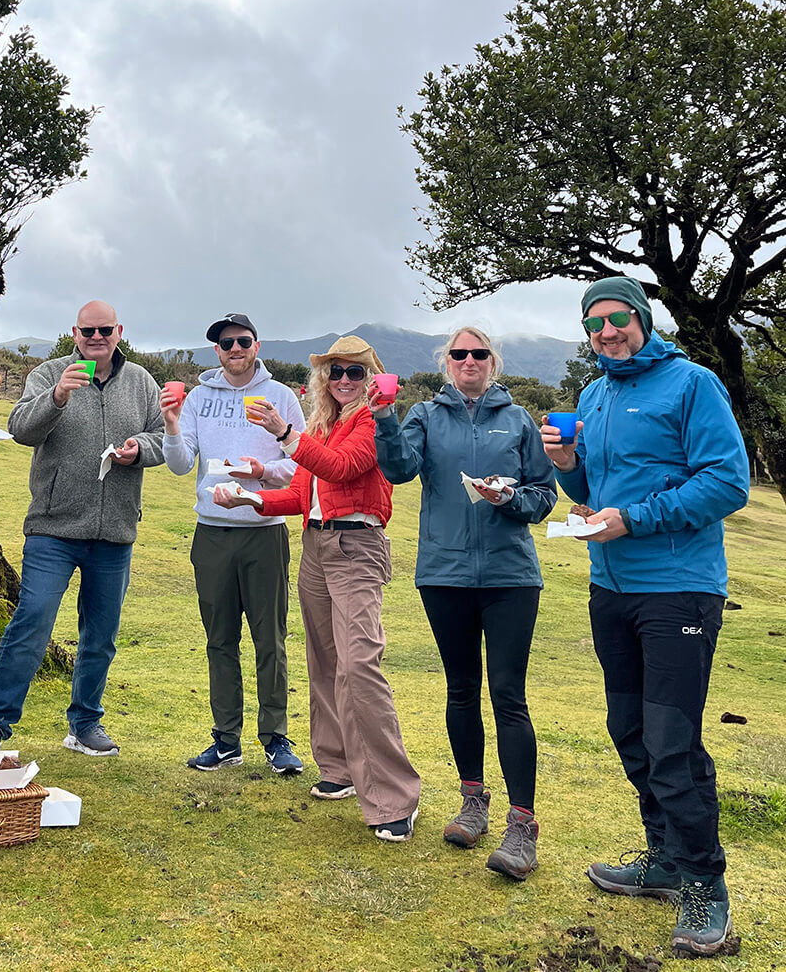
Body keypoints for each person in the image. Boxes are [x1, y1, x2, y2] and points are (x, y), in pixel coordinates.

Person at [540, 276, 749, 957]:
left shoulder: (692, 384)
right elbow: (591, 487)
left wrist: (632, 519)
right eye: (594, 323)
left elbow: (727, 482)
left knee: (672, 744)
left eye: (617, 318)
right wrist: (567, 466)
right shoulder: (594, 395)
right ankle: (664, 860)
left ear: (642, 317)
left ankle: (705, 888)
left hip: (678, 591)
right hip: (611, 588)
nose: (607, 332)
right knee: (629, 731)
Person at [214, 335, 421, 841]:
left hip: (356, 548)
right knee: (324, 662)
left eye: (355, 372)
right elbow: (300, 494)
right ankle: (338, 767)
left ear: (370, 379)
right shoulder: (323, 426)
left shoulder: (370, 421)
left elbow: (342, 468)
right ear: (324, 379)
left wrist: (284, 433)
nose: (344, 380)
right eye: (336, 372)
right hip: (316, 547)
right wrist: (251, 499)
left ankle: (394, 796)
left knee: (358, 666)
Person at [372, 327, 555, 878]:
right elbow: (399, 470)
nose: (468, 360)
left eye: (478, 353)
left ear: (492, 361)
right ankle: (473, 802)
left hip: (510, 577)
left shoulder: (518, 420)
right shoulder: (425, 415)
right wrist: (384, 417)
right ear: (446, 363)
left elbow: (544, 495)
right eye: (459, 354)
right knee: (460, 689)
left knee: (508, 695)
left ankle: (522, 826)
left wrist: (510, 497)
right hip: (444, 574)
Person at [0, 301, 164, 757]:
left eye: (105, 330)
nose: (96, 337)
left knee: (101, 636)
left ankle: (85, 723)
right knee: (32, 620)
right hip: (53, 529)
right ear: (75, 333)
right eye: (88, 331)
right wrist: (56, 398)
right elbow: (20, 429)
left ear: (119, 331)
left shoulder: (141, 382)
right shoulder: (50, 374)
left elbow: (162, 438)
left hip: (115, 533)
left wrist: (139, 450)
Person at [161, 314, 306, 774]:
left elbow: (299, 462)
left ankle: (275, 738)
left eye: (243, 341)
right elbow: (181, 465)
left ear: (256, 346)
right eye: (226, 343)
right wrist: (171, 427)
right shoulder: (199, 398)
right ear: (217, 351)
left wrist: (262, 472)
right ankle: (226, 739)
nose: (235, 349)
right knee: (220, 640)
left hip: (264, 533)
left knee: (270, 640)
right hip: (212, 533)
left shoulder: (281, 396)